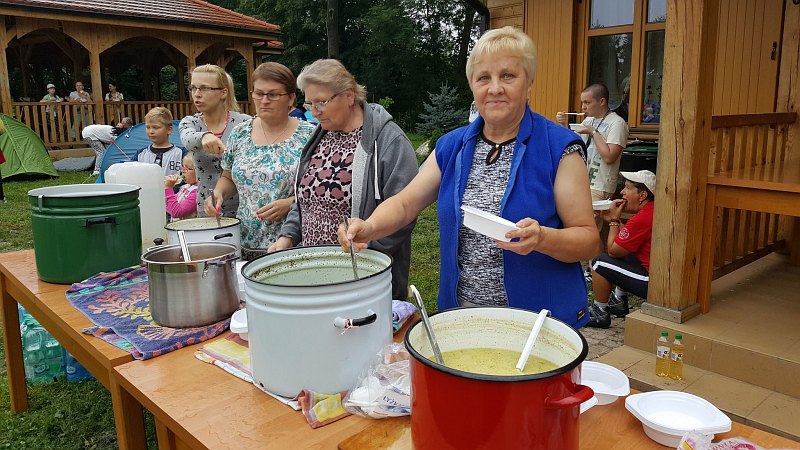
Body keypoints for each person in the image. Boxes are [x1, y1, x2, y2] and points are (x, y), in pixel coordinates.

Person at [339, 27, 598, 327]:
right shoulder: (452, 146)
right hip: (464, 316)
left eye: (508, 76)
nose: (495, 88)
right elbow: (406, 203)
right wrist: (369, 226)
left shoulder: (559, 148)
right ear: (473, 86)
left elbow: (588, 240)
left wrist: (543, 238)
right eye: (484, 78)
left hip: (539, 323)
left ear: (529, 84)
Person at [269, 59, 418, 300]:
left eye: (321, 102)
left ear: (349, 95)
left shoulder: (389, 142)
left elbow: (405, 212)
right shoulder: (320, 136)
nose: (314, 112)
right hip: (312, 274)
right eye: (309, 103)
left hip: (362, 280)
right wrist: (288, 236)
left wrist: (368, 255)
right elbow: (305, 197)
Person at [205, 62, 315, 260]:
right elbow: (228, 177)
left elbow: (320, 189)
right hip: (246, 243)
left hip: (293, 245)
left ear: (291, 98)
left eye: (273, 95)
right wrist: (218, 193)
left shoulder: (309, 136)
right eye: (259, 93)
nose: (264, 100)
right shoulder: (240, 133)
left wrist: (290, 203)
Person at [180, 64, 250, 218]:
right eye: (193, 88)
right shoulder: (190, 122)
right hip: (207, 211)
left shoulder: (245, 123)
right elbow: (187, 139)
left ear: (223, 92)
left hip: (243, 211)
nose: (197, 94)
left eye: (204, 88)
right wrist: (204, 136)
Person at [587, 170, 655, 328]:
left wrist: (614, 220)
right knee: (625, 251)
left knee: (599, 262)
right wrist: (611, 220)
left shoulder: (642, 217)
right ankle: (618, 301)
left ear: (642, 195)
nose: (622, 192)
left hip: (651, 283)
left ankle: (600, 312)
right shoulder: (651, 210)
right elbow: (626, 239)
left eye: (628, 188)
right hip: (656, 276)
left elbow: (613, 250)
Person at [137, 107, 185, 176]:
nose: (151, 131)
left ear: (169, 130)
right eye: (148, 127)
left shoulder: (181, 153)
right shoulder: (140, 154)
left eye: (155, 127)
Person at [165, 154, 199, 221]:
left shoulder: (197, 192)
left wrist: (168, 188)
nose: (183, 171)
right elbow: (168, 206)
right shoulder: (186, 187)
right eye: (182, 166)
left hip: (188, 227)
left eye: (188, 168)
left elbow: (176, 212)